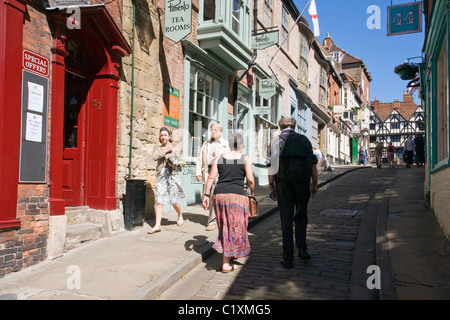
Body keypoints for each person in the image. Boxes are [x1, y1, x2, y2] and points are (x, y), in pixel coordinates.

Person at [268, 118, 318, 268]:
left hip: (283, 184)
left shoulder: (276, 141)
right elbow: (313, 164)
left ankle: (288, 257)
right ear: (294, 126)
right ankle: (302, 249)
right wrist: (314, 184)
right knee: (302, 215)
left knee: (286, 219)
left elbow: (271, 165)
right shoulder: (304, 140)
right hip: (302, 183)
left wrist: (271, 186)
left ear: (280, 126)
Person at [202, 132, 254, 273]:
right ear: (241, 145)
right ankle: (226, 263)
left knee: (224, 226)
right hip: (236, 196)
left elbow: (211, 178)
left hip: (219, 195)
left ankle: (229, 255)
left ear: (230, 145)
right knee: (235, 227)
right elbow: (250, 180)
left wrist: (206, 195)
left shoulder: (219, 158)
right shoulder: (245, 158)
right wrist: (252, 192)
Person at [148, 127, 186, 234]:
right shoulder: (158, 149)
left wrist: (176, 163)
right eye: (161, 135)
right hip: (161, 177)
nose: (163, 137)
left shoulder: (175, 150)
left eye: (165, 135)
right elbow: (154, 157)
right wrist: (165, 151)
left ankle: (179, 215)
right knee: (159, 201)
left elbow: (183, 161)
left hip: (172, 176)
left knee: (174, 201)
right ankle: (157, 225)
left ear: (169, 137)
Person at [196, 123, 230, 231]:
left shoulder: (225, 144)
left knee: (212, 196)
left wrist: (219, 156)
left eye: (215, 130)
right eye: (212, 130)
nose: (213, 132)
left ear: (221, 132)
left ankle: (212, 221)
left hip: (219, 172)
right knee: (206, 196)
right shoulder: (206, 143)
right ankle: (217, 217)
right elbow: (200, 158)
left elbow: (229, 159)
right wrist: (198, 171)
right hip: (207, 170)